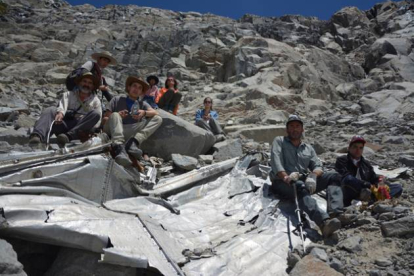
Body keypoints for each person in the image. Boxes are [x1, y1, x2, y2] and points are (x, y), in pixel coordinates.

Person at [270, 115, 344, 237]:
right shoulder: (279, 141)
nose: (295, 129)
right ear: (287, 130)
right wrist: (285, 177)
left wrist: (313, 175)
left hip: (301, 180)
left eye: (297, 126)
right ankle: (323, 223)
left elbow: (318, 165)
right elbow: (275, 161)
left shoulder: (308, 148)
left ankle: (335, 214)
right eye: (291, 126)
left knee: (334, 176)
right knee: (299, 186)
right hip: (281, 182)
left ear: (302, 129)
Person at [29, 73, 102, 148]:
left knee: (95, 114)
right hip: (64, 123)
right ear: (80, 83)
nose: (86, 84)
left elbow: (97, 122)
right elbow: (62, 107)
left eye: (90, 83)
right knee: (50, 110)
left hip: (79, 129)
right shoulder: (69, 94)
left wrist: (87, 127)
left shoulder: (96, 101)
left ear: (93, 86)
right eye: (84, 81)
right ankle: (37, 136)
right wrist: (60, 114)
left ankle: (68, 136)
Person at [103, 76, 162, 166]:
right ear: (129, 87)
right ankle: (119, 147)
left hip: (129, 131)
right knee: (115, 115)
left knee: (158, 119)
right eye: (134, 86)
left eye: (139, 88)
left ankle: (134, 142)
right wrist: (118, 116)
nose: (136, 89)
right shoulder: (117, 99)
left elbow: (155, 112)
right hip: (112, 130)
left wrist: (144, 113)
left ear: (141, 92)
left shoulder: (142, 104)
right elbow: (105, 119)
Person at [335, 135, 403, 206]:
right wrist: (368, 185)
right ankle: (373, 199)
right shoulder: (342, 160)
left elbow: (373, 178)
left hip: (368, 191)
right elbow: (345, 177)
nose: (358, 150)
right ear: (349, 148)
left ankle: (373, 199)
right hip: (350, 190)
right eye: (355, 147)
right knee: (348, 179)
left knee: (397, 187)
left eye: (360, 148)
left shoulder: (366, 164)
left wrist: (380, 183)